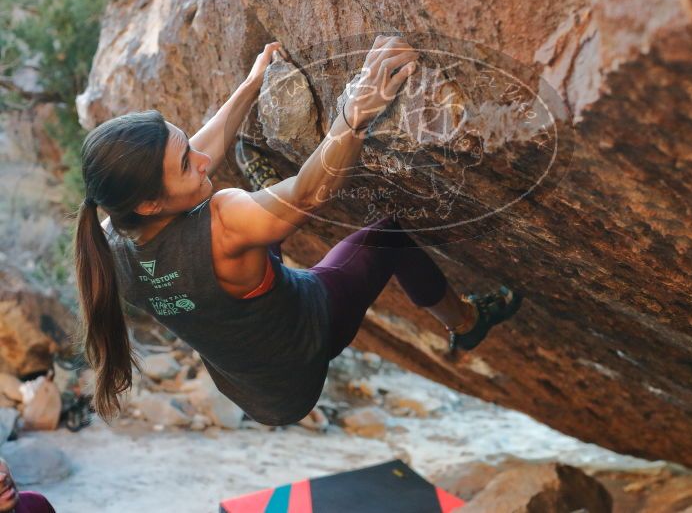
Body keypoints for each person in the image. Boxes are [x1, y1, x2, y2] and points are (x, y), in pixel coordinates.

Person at [73, 36, 522, 426]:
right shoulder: (225, 219)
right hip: (303, 347)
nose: (202, 159)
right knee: (388, 233)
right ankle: (466, 321)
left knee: (254, 238)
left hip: (250, 387)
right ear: (150, 203)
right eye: (187, 164)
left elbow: (195, 154)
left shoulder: (111, 238)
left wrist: (250, 87)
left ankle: (268, 203)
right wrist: (356, 113)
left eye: (189, 146)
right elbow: (309, 196)